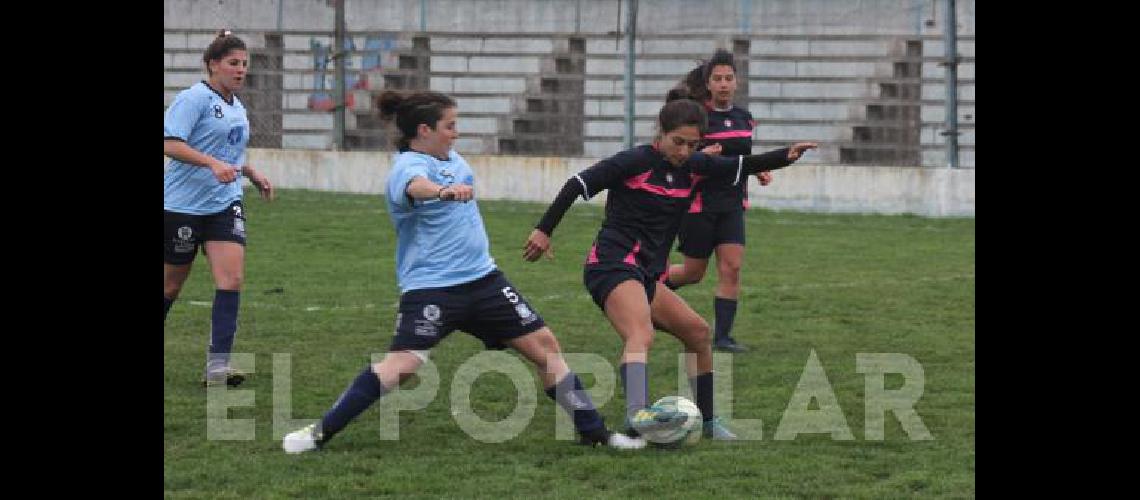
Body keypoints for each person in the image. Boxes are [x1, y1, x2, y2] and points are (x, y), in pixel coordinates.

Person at [283, 91, 648, 453]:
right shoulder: (407, 167)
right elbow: (415, 188)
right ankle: (319, 433)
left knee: (545, 348)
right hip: (432, 289)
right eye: (450, 126)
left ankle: (597, 435)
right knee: (404, 365)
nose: (456, 132)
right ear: (424, 130)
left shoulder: (452, 158)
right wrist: (442, 192)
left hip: (485, 281)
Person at [523, 97, 816, 440]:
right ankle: (637, 417)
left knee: (698, 332)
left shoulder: (695, 167)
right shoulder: (634, 161)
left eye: (693, 145)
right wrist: (544, 230)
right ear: (661, 133)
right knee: (641, 334)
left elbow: (743, 164)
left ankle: (707, 423)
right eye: (678, 142)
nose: (684, 151)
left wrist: (785, 156)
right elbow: (577, 183)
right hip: (611, 264)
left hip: (645, 273)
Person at [164, 30, 275, 387]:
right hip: (181, 206)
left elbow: (228, 153)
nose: (241, 70)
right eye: (233, 63)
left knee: (232, 279)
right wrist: (211, 163)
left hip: (223, 203)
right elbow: (169, 143)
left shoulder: (236, 106)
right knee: (170, 286)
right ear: (213, 64)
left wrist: (248, 170)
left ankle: (217, 367)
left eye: (244, 64)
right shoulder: (193, 98)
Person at [663, 49, 767, 353]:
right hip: (699, 204)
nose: (724, 84)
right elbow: (680, 155)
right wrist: (699, 156)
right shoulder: (697, 117)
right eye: (718, 79)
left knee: (731, 268)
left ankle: (723, 338)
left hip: (733, 203)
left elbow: (743, 156)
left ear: (737, 82)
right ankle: (645, 285)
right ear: (708, 84)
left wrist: (760, 171)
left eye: (729, 78)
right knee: (693, 273)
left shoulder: (744, 117)